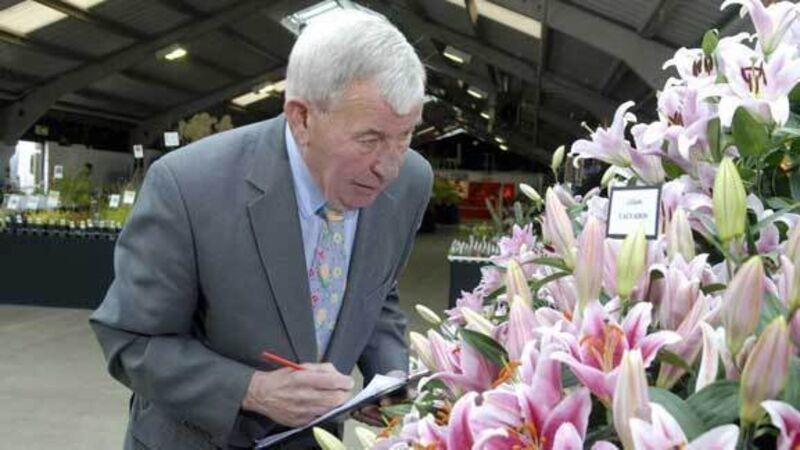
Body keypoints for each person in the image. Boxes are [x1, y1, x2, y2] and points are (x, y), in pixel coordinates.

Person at [90, 9, 431, 450]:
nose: (388, 167)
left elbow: (376, 292)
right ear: (302, 118)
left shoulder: (411, 182)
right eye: (369, 139)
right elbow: (131, 339)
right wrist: (252, 390)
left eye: (404, 137)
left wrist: (390, 381)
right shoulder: (190, 185)